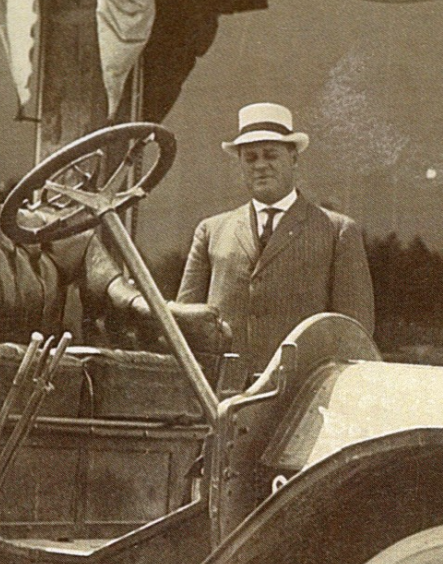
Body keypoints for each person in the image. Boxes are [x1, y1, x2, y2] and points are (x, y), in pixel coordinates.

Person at [160, 103, 374, 377]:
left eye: (271, 155)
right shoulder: (211, 230)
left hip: (299, 395)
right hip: (220, 395)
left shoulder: (337, 231)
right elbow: (186, 325)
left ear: (293, 158)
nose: (261, 165)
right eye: (250, 158)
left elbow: (353, 333)